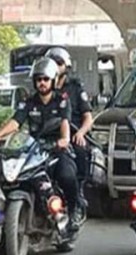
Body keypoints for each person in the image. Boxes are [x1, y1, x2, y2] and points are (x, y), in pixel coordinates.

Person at [0, 57, 82, 255]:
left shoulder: (62, 100)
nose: (42, 83)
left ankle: (71, 214)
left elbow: (64, 122)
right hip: (34, 148)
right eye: (38, 79)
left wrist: (64, 139)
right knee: (12, 179)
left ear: (53, 80)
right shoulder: (29, 102)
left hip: (56, 148)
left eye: (45, 79)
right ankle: (6, 240)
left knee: (67, 175)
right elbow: (16, 122)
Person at [45, 47, 93, 201]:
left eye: (59, 63)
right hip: (48, 135)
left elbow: (88, 117)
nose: (55, 66)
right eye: (52, 63)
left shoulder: (75, 88)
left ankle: (78, 192)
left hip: (72, 134)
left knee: (80, 150)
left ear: (66, 66)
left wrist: (81, 133)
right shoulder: (43, 87)